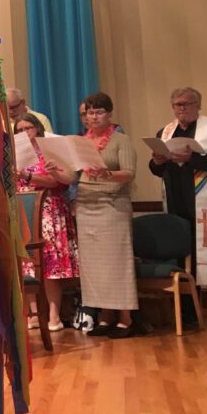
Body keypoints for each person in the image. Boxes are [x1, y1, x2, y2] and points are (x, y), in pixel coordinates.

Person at [149, 87, 207, 330]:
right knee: (184, 259)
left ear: (198, 105)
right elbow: (157, 171)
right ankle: (188, 314)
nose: (181, 109)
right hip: (179, 207)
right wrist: (157, 161)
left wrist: (192, 160)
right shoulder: (165, 133)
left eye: (186, 104)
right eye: (177, 104)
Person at [74, 92, 139, 339]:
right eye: (90, 112)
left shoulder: (121, 140)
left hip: (112, 206)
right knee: (93, 267)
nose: (94, 116)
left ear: (109, 114)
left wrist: (108, 174)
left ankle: (125, 317)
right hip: (86, 206)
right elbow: (73, 174)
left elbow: (130, 173)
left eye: (99, 112)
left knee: (116, 262)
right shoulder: (82, 141)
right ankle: (104, 316)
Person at [15, 115, 79, 331]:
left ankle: (53, 315)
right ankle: (33, 314)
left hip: (49, 210)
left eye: (29, 127)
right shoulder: (14, 155)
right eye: (19, 129)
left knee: (51, 266)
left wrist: (28, 176)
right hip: (23, 211)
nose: (24, 132)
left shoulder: (51, 151)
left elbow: (57, 181)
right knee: (28, 264)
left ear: (39, 128)